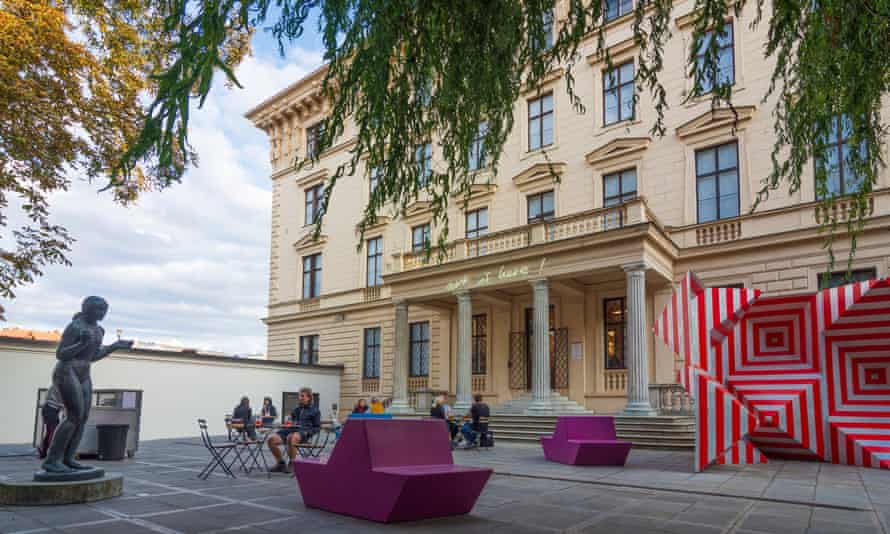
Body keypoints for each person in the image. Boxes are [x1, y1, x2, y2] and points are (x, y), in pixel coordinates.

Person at [267, 387, 320, 473]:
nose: (300, 398)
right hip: (291, 430)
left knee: (291, 437)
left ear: (309, 398)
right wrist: (288, 422)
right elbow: (291, 421)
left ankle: (293, 463)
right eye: (299, 396)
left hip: (303, 433)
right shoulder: (297, 409)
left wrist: (307, 433)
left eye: (302, 396)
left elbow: (317, 428)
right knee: (271, 440)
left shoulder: (315, 411)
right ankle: (281, 463)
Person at [39, 385, 64, 459]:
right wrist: (62, 405)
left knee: (50, 432)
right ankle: (51, 454)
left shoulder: (60, 387)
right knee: (53, 432)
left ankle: (44, 453)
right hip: (49, 410)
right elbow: (51, 400)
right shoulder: (55, 387)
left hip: (52, 410)